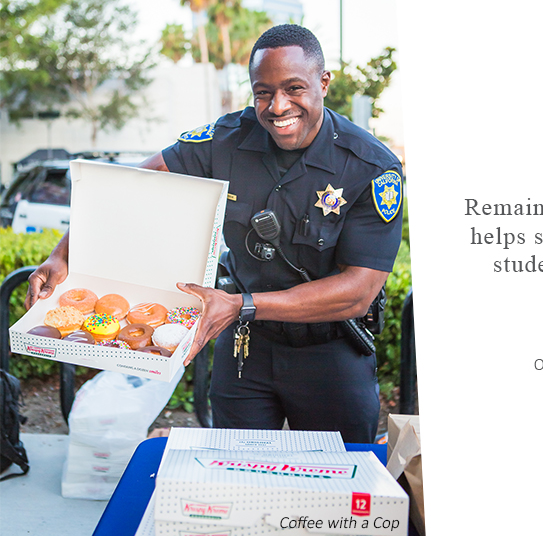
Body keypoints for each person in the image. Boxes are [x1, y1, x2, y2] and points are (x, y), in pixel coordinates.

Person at [25, 25, 404, 443]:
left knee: (337, 481)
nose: (277, 107)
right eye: (263, 92)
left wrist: (242, 305)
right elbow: (127, 190)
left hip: (331, 354)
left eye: (294, 88)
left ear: (324, 82)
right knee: (235, 474)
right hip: (245, 351)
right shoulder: (225, 139)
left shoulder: (370, 167)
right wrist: (63, 256)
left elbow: (358, 290)